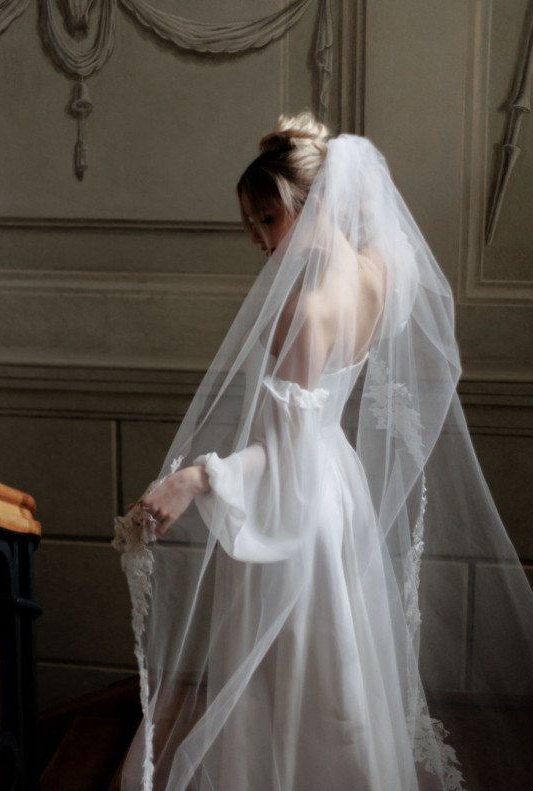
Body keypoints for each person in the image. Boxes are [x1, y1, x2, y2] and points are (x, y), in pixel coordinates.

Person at [114, 113, 533, 791]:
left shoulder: (305, 311)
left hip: (300, 501)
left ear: (312, 204)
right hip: (338, 487)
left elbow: (284, 452)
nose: (260, 238)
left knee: (289, 670)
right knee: (338, 663)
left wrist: (195, 477)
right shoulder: (381, 270)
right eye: (251, 224)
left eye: (269, 218)